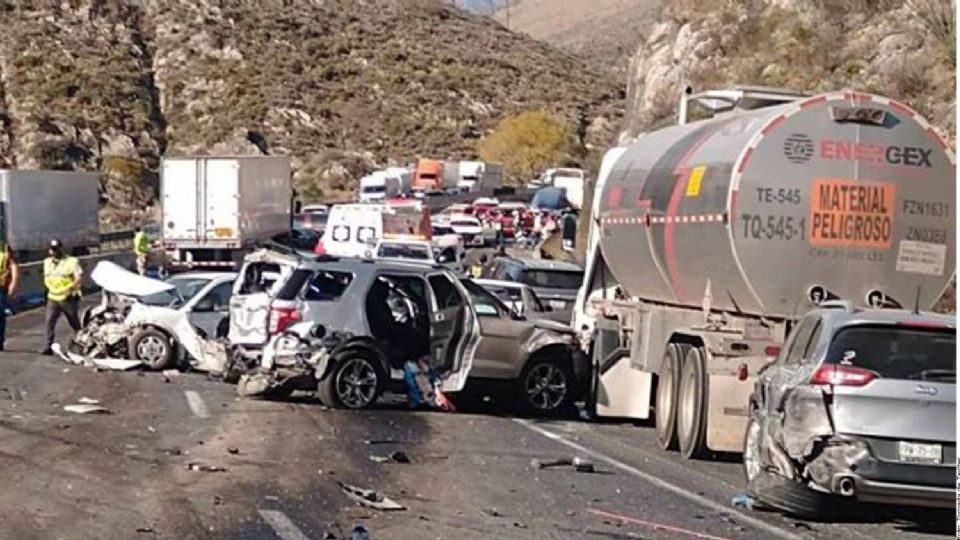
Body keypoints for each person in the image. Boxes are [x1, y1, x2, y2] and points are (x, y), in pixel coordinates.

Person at [41, 239, 82, 355]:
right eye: (52, 249)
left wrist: (70, 288)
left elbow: (78, 278)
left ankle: (83, 342)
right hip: (53, 296)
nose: (54, 252)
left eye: (56, 249)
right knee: (49, 321)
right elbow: (47, 278)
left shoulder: (71, 261)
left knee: (73, 321)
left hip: (67, 297)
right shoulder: (47, 262)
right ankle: (48, 346)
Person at [0, 241, 19, 351]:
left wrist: (13, 283)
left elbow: (13, 266)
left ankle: (0, 341)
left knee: (0, 315)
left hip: (1, 287)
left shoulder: (6, 248)